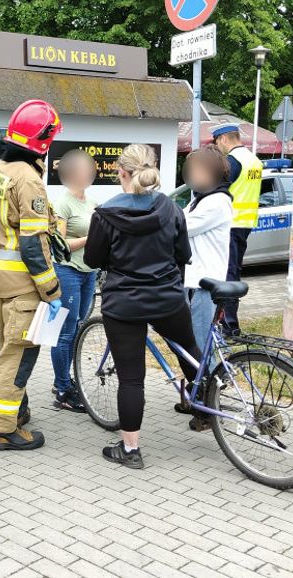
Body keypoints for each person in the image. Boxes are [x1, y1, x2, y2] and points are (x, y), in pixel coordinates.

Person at [83, 144, 202, 469]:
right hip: (168, 299)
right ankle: (205, 409)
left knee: (131, 378)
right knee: (189, 349)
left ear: (120, 172)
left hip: (124, 304)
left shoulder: (106, 213)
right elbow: (183, 255)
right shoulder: (171, 208)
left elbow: (93, 259)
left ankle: (131, 450)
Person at [0, 100, 63, 451]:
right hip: (24, 284)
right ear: (42, 142)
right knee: (18, 355)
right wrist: (52, 290)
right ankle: (0, 429)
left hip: (0, 280)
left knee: (7, 347)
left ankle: (17, 410)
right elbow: (32, 244)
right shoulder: (28, 180)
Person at [49, 148, 98, 412]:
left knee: (78, 327)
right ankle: (63, 390)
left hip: (89, 272)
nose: (87, 174)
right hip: (68, 271)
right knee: (65, 332)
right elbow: (60, 244)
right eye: (81, 170)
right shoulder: (63, 203)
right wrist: (93, 239)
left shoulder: (90, 202)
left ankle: (65, 380)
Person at [181, 148, 233, 378]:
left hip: (204, 285)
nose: (191, 176)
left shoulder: (217, 202)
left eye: (196, 171)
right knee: (193, 343)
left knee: (202, 348)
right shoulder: (199, 201)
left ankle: (211, 404)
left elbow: (179, 226)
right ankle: (199, 392)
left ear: (211, 173)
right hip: (192, 281)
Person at [210, 123, 262, 334]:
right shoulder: (254, 161)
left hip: (230, 224)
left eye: (216, 142)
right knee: (234, 271)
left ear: (223, 138)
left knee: (228, 274)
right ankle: (227, 320)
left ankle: (230, 324)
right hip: (245, 223)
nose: (217, 146)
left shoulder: (233, 161)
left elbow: (216, 189)